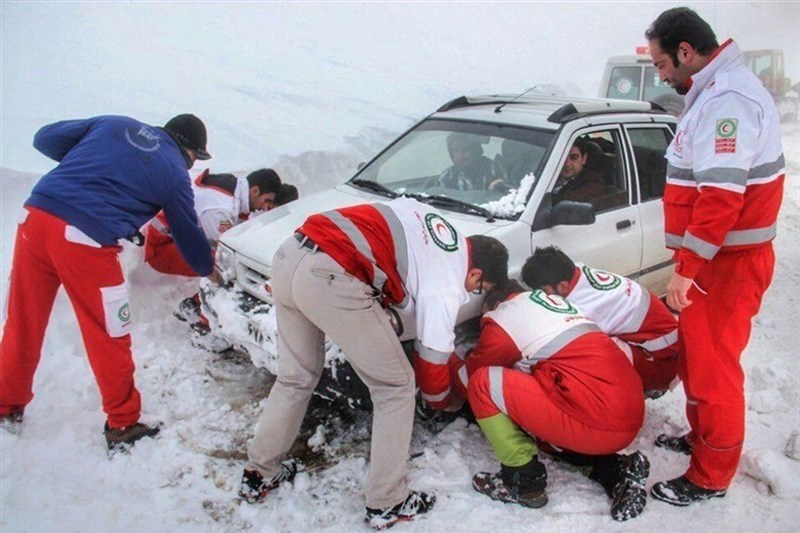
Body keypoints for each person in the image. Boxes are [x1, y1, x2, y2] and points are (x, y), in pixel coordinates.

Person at [238, 197, 509, 529]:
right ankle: (387, 501)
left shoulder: (434, 226)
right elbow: (432, 360)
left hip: (289, 255)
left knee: (296, 377)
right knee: (395, 387)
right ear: (477, 271)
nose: (471, 294)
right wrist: (444, 402)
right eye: (478, 287)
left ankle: (259, 472)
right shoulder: (448, 280)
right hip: (331, 274)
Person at [0, 114, 216, 451]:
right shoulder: (174, 174)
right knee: (109, 333)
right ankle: (123, 422)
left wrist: (96, 163)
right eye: (194, 159)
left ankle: (5, 407)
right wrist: (209, 268)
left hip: (35, 219)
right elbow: (187, 234)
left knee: (22, 323)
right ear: (189, 151)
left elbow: (44, 138)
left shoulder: (115, 124)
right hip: (84, 240)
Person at [645, 7, 785, 506]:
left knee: (714, 370)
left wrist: (687, 268)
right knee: (698, 358)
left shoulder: (729, 100)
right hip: (715, 261)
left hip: (726, 264)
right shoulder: (714, 92)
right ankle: (702, 438)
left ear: (686, 52)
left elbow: (721, 197)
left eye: (662, 64)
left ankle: (712, 472)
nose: (660, 74)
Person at [449, 280, 649, 521]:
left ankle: (523, 482)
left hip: (598, 420)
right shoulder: (561, 308)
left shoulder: (505, 317)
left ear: (498, 304)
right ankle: (617, 471)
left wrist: (445, 356)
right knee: (538, 427)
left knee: (484, 383)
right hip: (627, 412)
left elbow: (468, 382)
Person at [522, 246, 679, 396]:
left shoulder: (588, 307)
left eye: (544, 291)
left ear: (562, 286)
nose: (543, 296)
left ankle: (630, 391)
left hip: (666, 363)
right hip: (667, 345)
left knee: (583, 352)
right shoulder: (578, 272)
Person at [144, 168, 286, 278]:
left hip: (172, 238)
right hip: (161, 247)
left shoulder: (233, 188)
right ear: (255, 191)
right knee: (226, 266)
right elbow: (224, 250)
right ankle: (200, 308)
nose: (265, 207)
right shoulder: (221, 209)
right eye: (267, 200)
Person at [429, 132, 495, 190]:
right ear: (451, 153)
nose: (460, 155)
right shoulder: (447, 176)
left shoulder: (492, 170)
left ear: (475, 151)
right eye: (456, 150)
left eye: (465, 150)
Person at [552, 137, 608, 204]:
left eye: (574, 158)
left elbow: (566, 202)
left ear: (584, 159)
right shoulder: (547, 175)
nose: (567, 164)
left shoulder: (592, 182)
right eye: (562, 157)